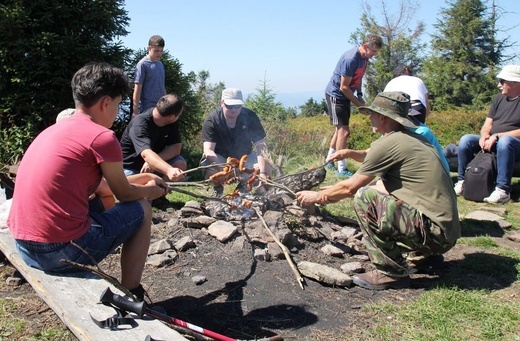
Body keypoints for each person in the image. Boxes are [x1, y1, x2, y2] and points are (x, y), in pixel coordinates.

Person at [8, 62, 169, 300]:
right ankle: (132, 292)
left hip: (24, 245)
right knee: (142, 209)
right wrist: (149, 193)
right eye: (117, 104)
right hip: (58, 252)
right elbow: (124, 194)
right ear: (105, 103)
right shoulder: (102, 137)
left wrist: (146, 177)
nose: (116, 112)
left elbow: (107, 187)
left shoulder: (53, 131)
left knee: (100, 203)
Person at [297, 92, 460, 290]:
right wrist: (345, 160)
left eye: (372, 114)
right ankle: (427, 256)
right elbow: (371, 157)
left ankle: (390, 272)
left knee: (365, 197)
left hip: (434, 233)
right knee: (377, 190)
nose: (370, 119)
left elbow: (351, 187)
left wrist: (317, 196)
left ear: (382, 117)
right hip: (445, 232)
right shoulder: (411, 139)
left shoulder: (390, 143)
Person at [454, 65, 520, 204]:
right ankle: (463, 181)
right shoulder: (498, 99)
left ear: (514, 82)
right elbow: (488, 123)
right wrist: (484, 135)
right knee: (466, 139)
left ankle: (503, 190)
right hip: (495, 140)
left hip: (513, 144)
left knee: (505, 141)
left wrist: (496, 136)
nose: (499, 85)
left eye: (502, 81)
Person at [324, 33, 383, 177]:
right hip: (336, 95)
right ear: (365, 46)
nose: (375, 54)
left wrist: (360, 95)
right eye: (373, 51)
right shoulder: (351, 59)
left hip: (345, 95)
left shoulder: (365, 59)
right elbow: (343, 87)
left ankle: (329, 161)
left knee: (340, 131)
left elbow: (359, 77)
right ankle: (341, 169)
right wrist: (358, 105)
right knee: (344, 131)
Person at [200, 88, 271, 192]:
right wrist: (223, 169)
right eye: (229, 106)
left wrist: (263, 173)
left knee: (263, 168)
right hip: (220, 158)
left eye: (237, 106)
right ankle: (218, 190)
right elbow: (208, 151)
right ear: (222, 103)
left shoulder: (250, 117)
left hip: (246, 157)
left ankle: (249, 191)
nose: (234, 109)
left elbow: (261, 146)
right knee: (213, 171)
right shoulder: (212, 119)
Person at [121, 94, 186, 182]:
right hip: (131, 168)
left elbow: (175, 148)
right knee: (137, 192)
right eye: (179, 115)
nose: (179, 117)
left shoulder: (172, 122)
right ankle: (151, 190)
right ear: (171, 117)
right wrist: (169, 170)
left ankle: (161, 192)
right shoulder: (140, 124)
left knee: (180, 163)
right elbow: (146, 154)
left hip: (153, 165)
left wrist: (151, 163)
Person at [132, 35, 166, 118]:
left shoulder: (160, 65)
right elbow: (137, 89)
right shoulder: (142, 64)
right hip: (148, 108)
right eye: (157, 51)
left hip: (161, 106)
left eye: (161, 51)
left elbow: (162, 85)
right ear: (149, 48)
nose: (159, 53)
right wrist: (135, 112)